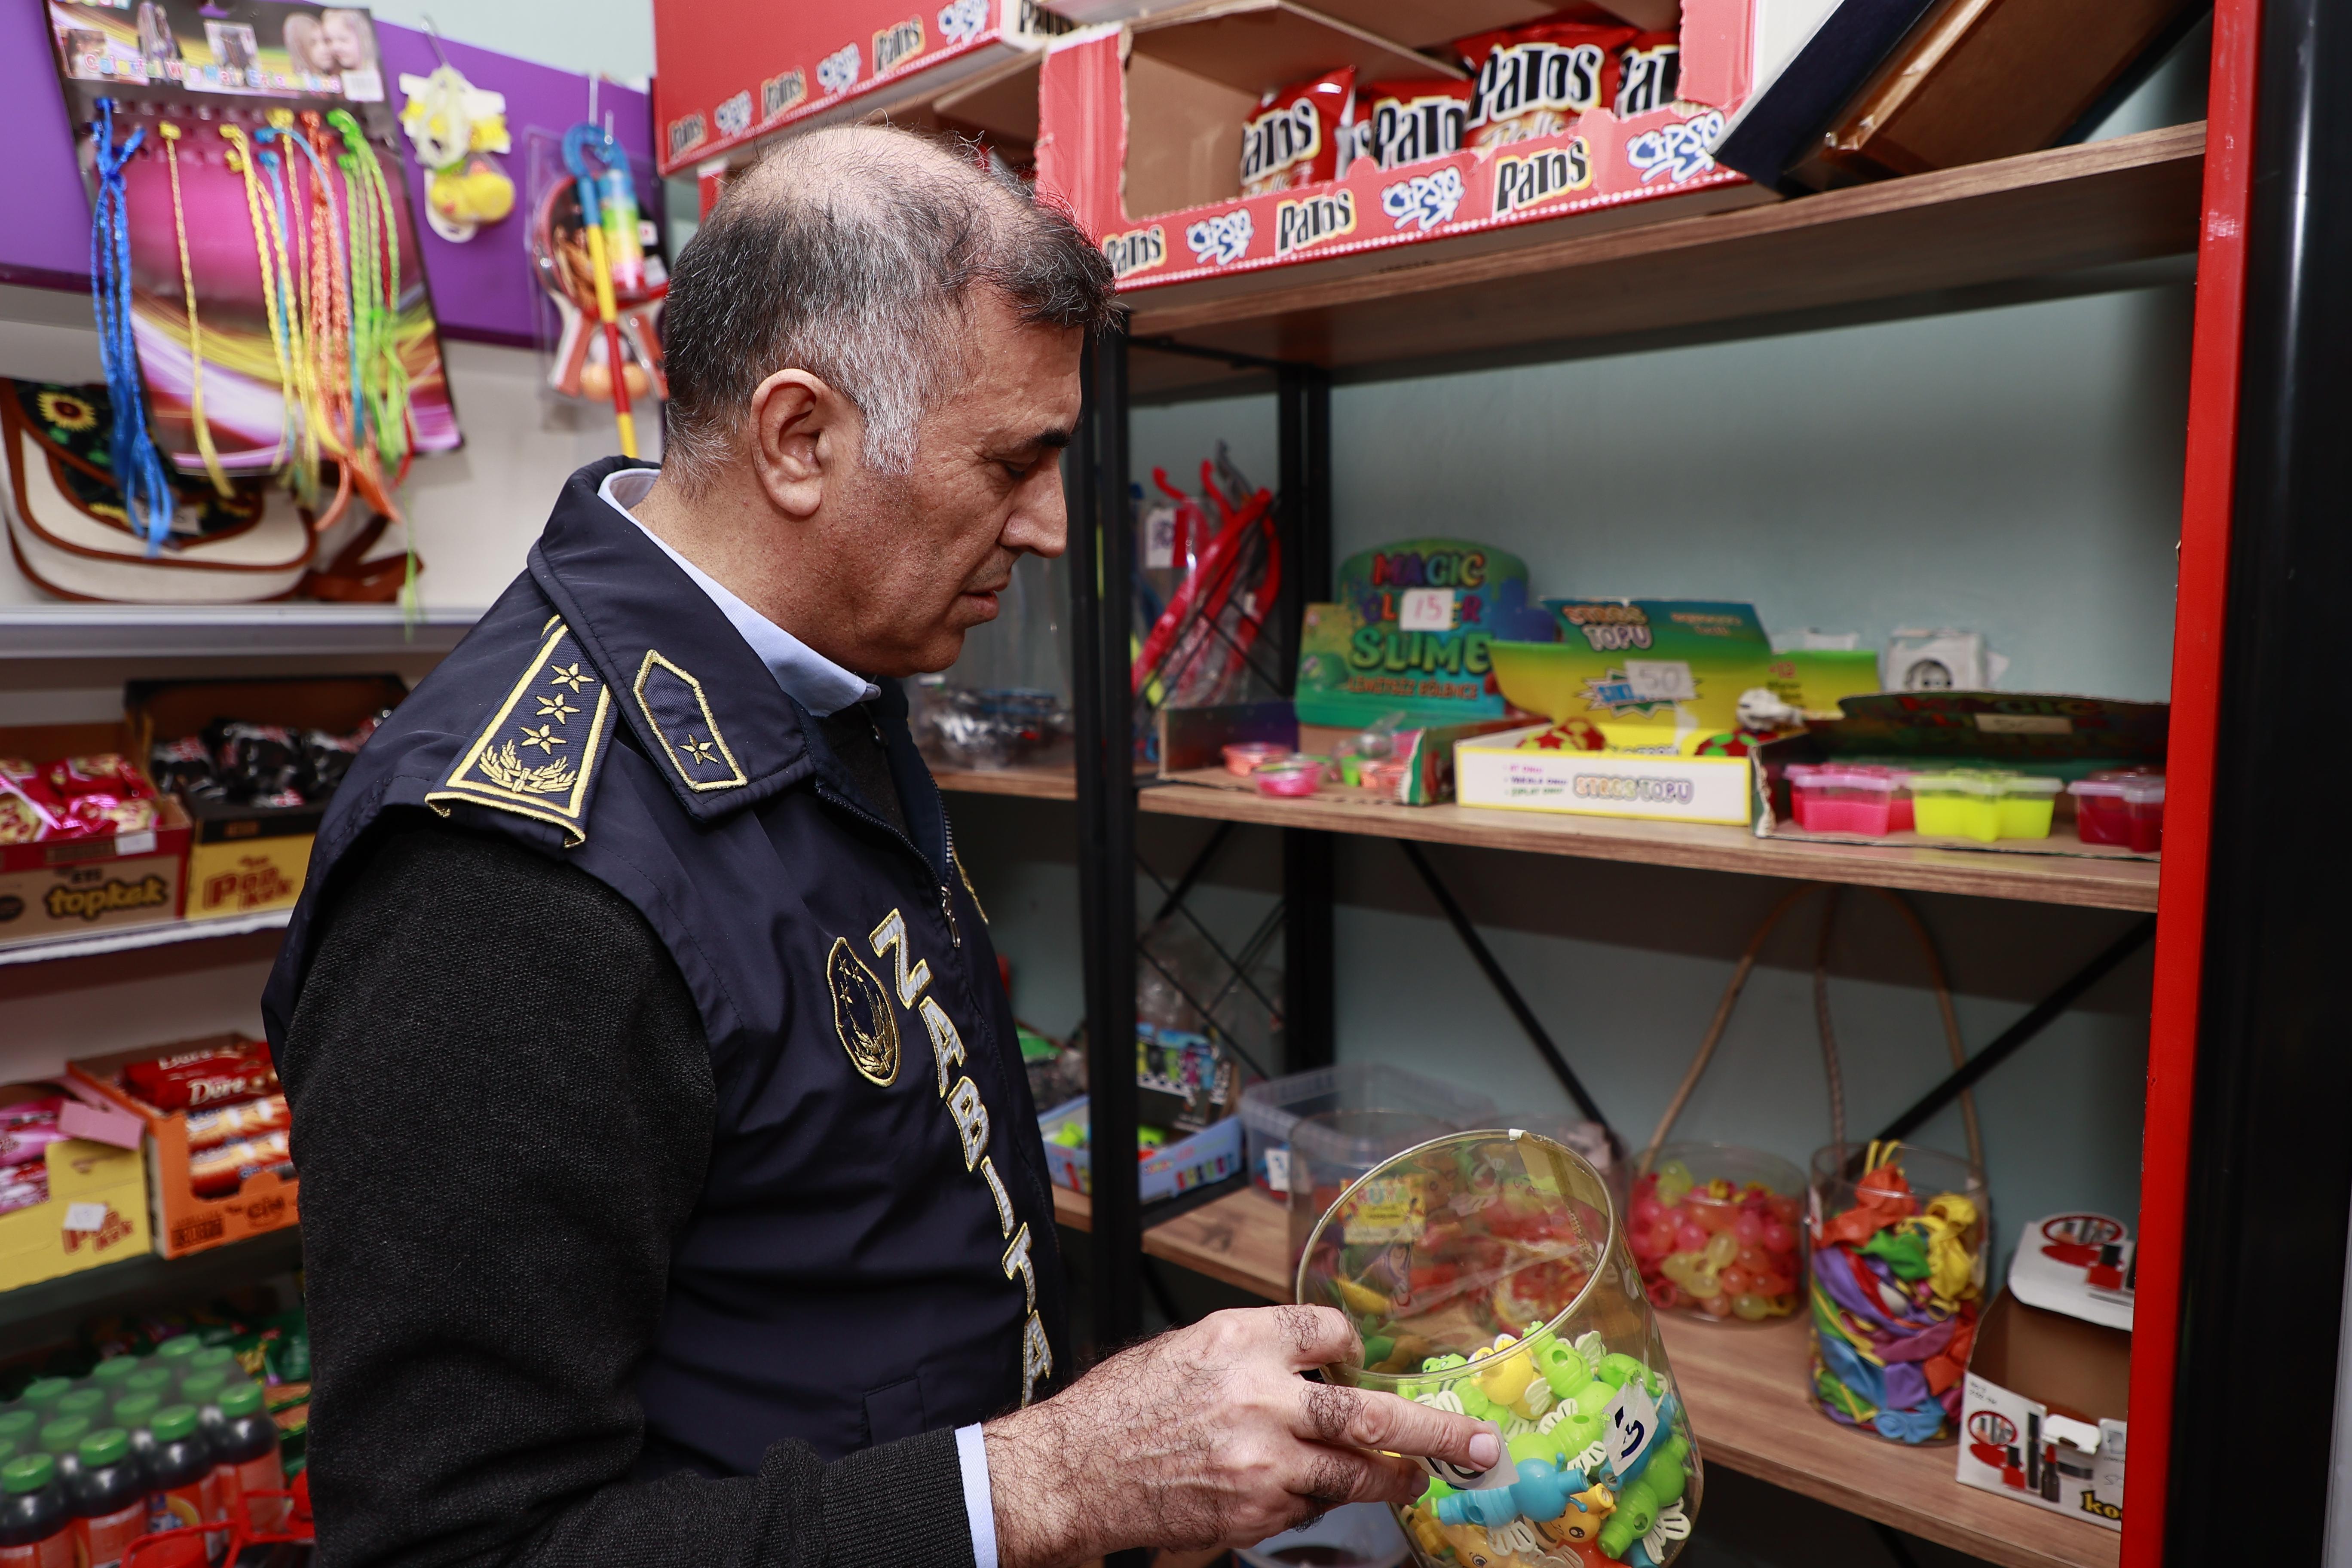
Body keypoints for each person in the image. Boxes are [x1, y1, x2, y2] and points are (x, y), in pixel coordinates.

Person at [263, 125, 1497, 1568]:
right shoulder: (505, 882)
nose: (1050, 528)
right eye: (1014, 462)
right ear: (801, 440)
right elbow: (452, 1547)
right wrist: (1049, 1482)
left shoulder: (821, 674)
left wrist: (1095, 1459)